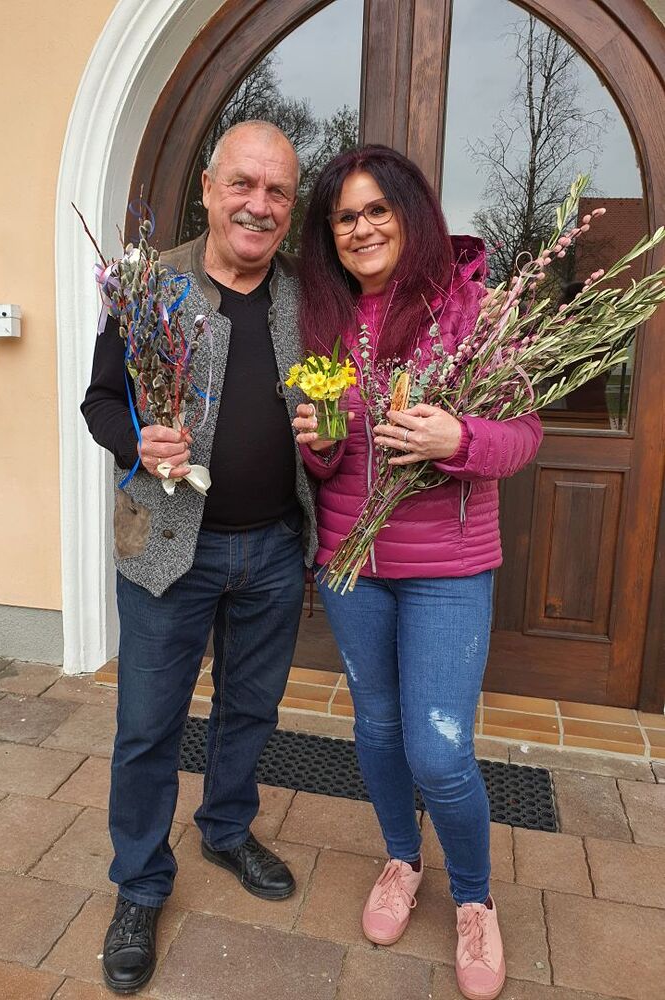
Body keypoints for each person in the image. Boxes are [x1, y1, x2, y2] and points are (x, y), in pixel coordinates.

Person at [293, 145, 542, 1000]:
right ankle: (402, 859)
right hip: (350, 563)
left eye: (377, 209)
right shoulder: (325, 319)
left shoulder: (467, 307)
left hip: (447, 568)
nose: (361, 228)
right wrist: (321, 447)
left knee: (439, 752)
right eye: (344, 216)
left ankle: (474, 898)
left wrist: (458, 438)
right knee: (376, 730)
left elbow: (523, 436)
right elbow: (328, 463)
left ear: (410, 213)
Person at [81, 120, 317, 995]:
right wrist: (137, 441)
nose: (259, 205)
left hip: (274, 547)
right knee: (148, 726)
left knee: (249, 710)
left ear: (290, 207)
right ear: (210, 189)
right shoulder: (149, 286)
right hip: (166, 550)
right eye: (243, 184)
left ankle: (224, 829)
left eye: (278, 191)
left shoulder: (308, 295)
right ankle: (141, 884)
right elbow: (100, 401)